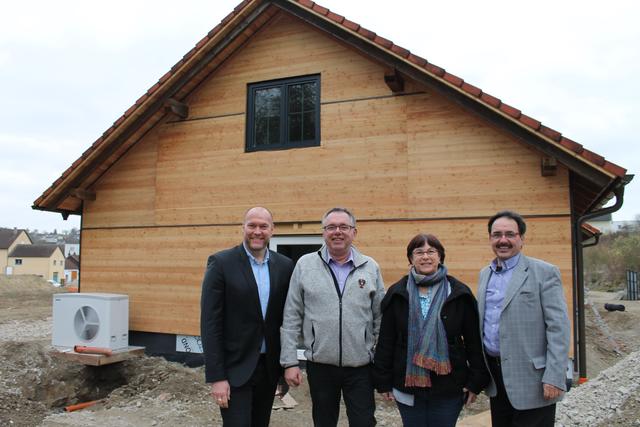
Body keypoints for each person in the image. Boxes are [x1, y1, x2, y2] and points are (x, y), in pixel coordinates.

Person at [280, 207, 385, 427]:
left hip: (360, 368)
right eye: (331, 227)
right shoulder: (305, 265)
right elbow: (291, 316)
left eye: (343, 227)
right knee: (324, 422)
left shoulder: (370, 267)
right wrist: (290, 362)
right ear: (323, 232)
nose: (337, 232)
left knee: (364, 422)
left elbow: (380, 318)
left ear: (354, 232)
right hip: (321, 367)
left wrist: (380, 360)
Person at [373, 233, 489, 426]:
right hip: (407, 383)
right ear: (411, 258)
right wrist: (382, 380)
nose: (425, 257)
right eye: (419, 252)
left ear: (440, 256)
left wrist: (475, 382)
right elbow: (386, 340)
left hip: (449, 385)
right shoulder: (398, 293)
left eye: (431, 251)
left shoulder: (459, 293)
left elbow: (473, 341)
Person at [200, 207, 294, 426]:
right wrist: (217, 377)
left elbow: (286, 319)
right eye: (252, 225)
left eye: (263, 226)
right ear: (243, 227)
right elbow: (210, 324)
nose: (257, 231)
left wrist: (283, 369)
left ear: (272, 230)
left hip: (268, 369)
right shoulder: (221, 263)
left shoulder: (285, 266)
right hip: (235, 369)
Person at [477, 210, 570, 427]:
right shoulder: (485, 274)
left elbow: (558, 328)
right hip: (496, 378)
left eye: (510, 234)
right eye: (497, 234)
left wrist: (554, 376)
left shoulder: (544, 272)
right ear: (490, 238)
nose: (503, 240)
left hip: (534, 381)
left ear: (521, 239)